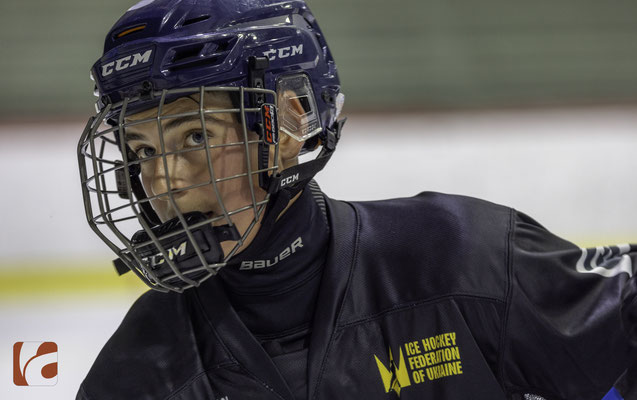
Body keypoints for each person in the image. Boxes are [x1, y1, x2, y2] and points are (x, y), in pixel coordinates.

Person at [76, 0, 636, 399]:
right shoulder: (138, 375)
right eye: (142, 150)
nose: (163, 179)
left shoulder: (461, 260)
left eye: (196, 136)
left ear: (290, 124)